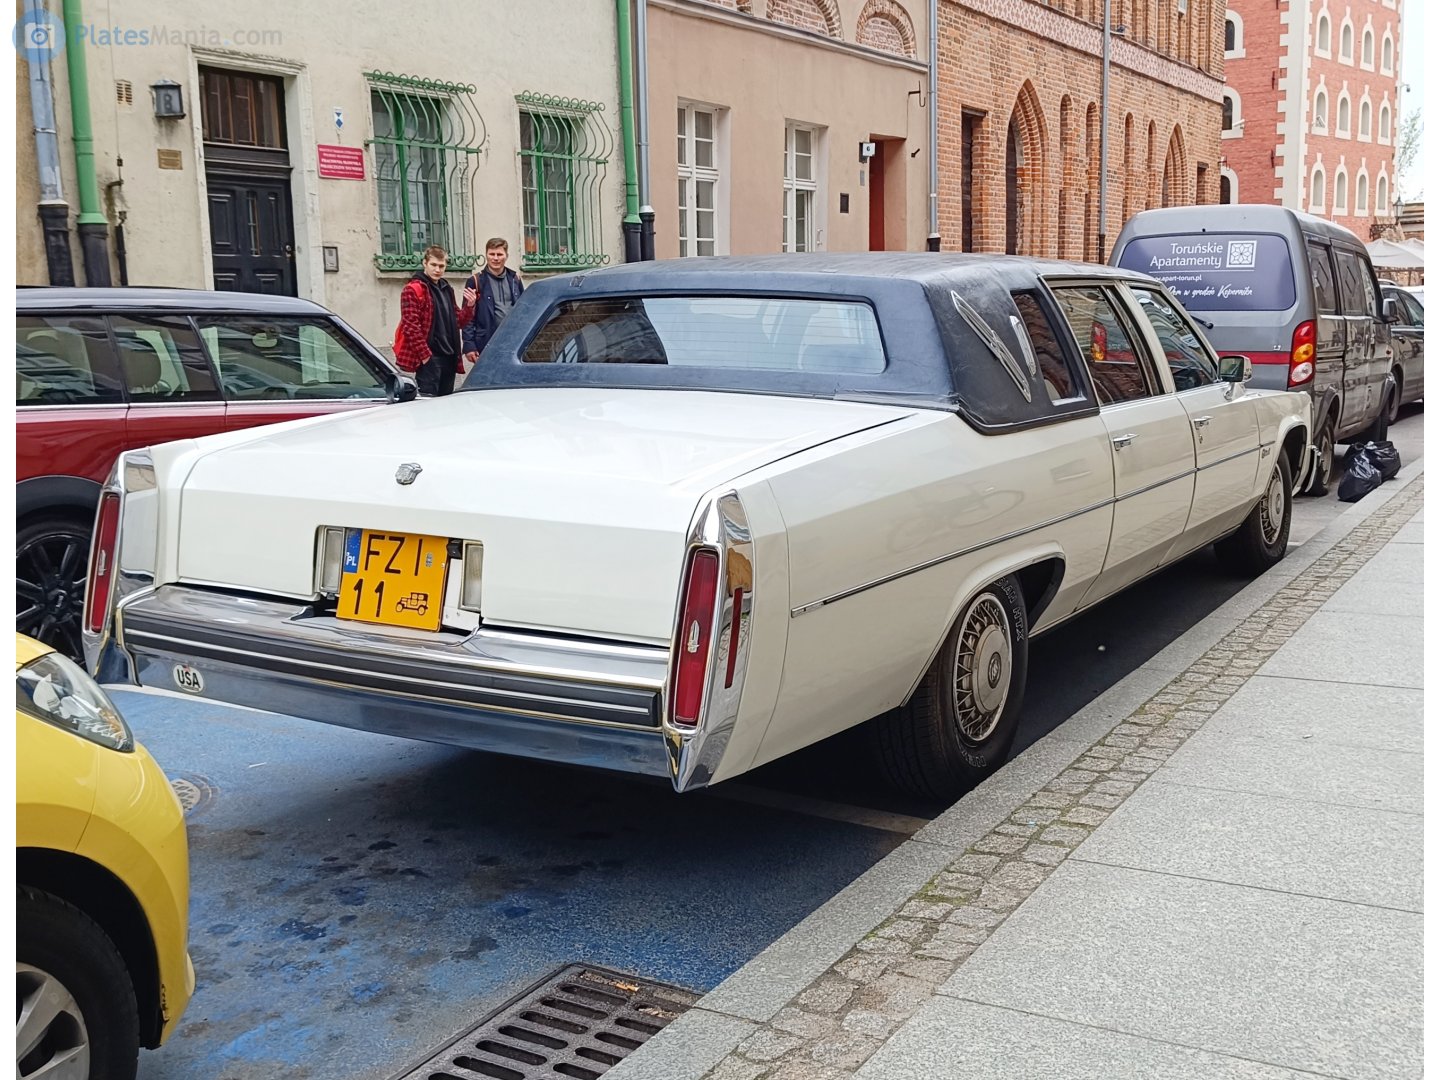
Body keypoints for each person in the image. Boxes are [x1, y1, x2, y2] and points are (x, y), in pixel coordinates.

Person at [394, 245, 477, 396]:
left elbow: (457, 322)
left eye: (441, 266)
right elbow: (411, 326)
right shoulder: (413, 289)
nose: (437, 270)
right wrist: (426, 357)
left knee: (446, 407)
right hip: (430, 357)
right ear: (425, 263)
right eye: (434, 265)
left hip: (449, 357)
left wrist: (470, 306)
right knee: (428, 407)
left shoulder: (446, 288)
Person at [462, 238, 525, 370]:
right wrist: (469, 345)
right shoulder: (476, 281)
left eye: (499, 254)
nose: (495, 258)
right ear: (486, 255)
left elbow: (523, 310)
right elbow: (468, 317)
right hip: (486, 343)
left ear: (506, 256)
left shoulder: (515, 279)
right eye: (492, 254)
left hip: (513, 342)